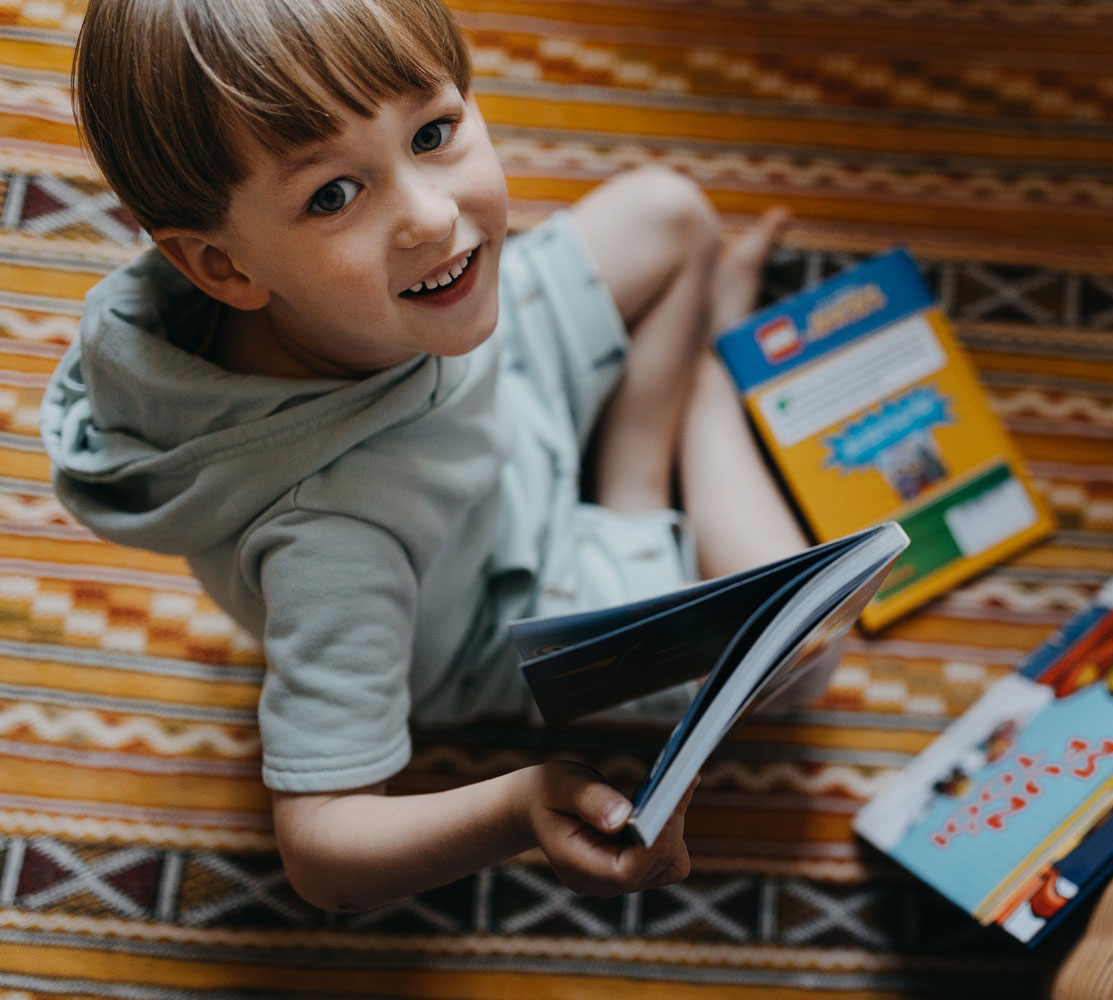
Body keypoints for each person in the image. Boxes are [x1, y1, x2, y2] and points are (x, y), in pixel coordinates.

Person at [40, 0, 811, 912]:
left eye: (434, 131)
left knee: (673, 213)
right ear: (222, 268)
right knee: (799, 651)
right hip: (510, 594)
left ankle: (632, 481)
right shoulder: (334, 535)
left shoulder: (389, 283)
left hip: (484, 379)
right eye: (333, 194)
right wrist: (520, 806)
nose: (434, 216)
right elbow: (322, 852)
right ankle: (706, 406)